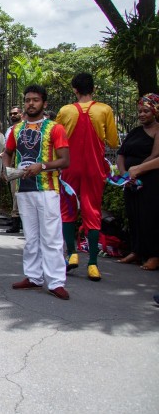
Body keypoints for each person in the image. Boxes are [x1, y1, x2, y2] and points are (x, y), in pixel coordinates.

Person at [3, 85, 71, 300]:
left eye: (35, 100)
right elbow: (7, 152)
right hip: (23, 189)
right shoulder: (16, 129)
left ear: (44, 103)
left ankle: (56, 282)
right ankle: (33, 277)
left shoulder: (55, 128)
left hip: (47, 188)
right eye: (27, 100)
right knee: (31, 237)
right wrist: (7, 170)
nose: (30, 103)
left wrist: (41, 166)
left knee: (51, 237)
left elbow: (65, 160)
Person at [55, 72, 119, 281]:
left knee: (67, 211)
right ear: (93, 89)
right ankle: (93, 264)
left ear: (74, 89)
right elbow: (113, 141)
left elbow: (55, 138)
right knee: (92, 212)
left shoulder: (65, 111)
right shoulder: (104, 110)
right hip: (94, 168)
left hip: (70, 167)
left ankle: (71, 254)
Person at [116, 93, 159, 270]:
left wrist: (138, 171)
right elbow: (121, 154)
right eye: (140, 111)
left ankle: (154, 254)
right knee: (133, 214)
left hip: (149, 180)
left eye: (146, 111)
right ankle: (136, 251)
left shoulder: (158, 130)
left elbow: (155, 155)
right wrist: (125, 174)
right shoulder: (134, 131)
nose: (141, 114)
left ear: (155, 112)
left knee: (150, 217)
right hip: (130, 180)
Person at [4, 107, 23, 233]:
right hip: (12, 167)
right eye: (11, 114)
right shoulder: (10, 130)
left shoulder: (23, 128)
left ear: (21, 114)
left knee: (18, 194)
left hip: (24, 166)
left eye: (15, 113)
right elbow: (7, 151)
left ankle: (17, 221)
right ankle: (15, 219)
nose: (13, 115)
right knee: (14, 193)